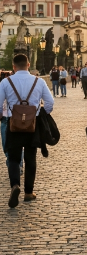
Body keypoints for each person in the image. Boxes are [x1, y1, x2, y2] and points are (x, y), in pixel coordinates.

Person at [0, 54, 55, 208]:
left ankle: (15, 185)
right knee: (30, 158)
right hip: (33, 124)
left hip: (13, 124)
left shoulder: (6, 82)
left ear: (13, 66)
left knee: (13, 158)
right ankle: (28, 193)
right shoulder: (39, 81)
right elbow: (50, 102)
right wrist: (41, 112)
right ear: (28, 65)